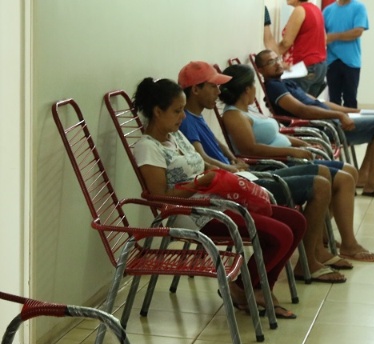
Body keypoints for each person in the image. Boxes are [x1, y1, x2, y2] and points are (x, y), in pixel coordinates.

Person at [131, 76, 310, 315]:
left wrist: (223, 173)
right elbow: (161, 197)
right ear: (157, 111)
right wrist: (200, 182)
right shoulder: (148, 147)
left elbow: (202, 163)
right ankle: (248, 289)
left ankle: (253, 287)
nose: (182, 116)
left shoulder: (175, 136)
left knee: (296, 221)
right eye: (177, 111)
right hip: (192, 214)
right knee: (281, 234)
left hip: (215, 201)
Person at [177, 61, 346, 288]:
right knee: (320, 184)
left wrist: (232, 159)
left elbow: (217, 144)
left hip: (243, 175)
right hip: (234, 185)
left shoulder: (196, 116)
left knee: (324, 174)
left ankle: (316, 250)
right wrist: (230, 168)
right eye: (213, 86)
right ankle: (309, 259)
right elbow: (201, 159)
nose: (218, 92)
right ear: (196, 89)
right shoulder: (186, 119)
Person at [218, 64, 374, 273]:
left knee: (349, 171)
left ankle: (321, 238)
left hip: (286, 157)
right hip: (273, 164)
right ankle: (345, 244)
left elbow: (273, 135)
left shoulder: (248, 109)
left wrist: (298, 143)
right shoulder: (233, 115)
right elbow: (250, 148)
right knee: (341, 179)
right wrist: (291, 151)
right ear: (247, 89)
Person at [256, 48, 374, 199]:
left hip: (330, 121)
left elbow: (319, 102)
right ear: (260, 70)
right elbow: (302, 111)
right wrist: (339, 115)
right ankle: (373, 182)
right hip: (322, 127)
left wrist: (355, 111)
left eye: (277, 59)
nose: (277, 64)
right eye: (270, 62)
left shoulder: (286, 82)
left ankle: (364, 176)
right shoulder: (274, 87)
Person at [324, 0, 370, 108]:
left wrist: (334, 36)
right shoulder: (328, 10)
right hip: (331, 61)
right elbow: (322, 34)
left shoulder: (359, 7)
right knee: (333, 100)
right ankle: (335, 119)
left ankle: (350, 119)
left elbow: (357, 32)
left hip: (351, 61)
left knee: (350, 99)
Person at [278, 0, 328, 96]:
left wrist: (272, 56)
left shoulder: (300, 10)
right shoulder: (316, 9)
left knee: (296, 104)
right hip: (320, 66)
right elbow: (324, 38)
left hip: (304, 67)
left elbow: (286, 43)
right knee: (310, 104)